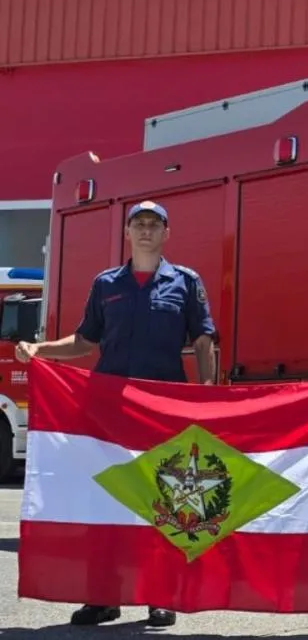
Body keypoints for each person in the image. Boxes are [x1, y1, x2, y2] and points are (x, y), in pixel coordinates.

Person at [15, 200, 217, 628]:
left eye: (154, 224)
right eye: (138, 224)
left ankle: (159, 596)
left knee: (160, 504)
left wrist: (207, 400)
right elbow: (85, 342)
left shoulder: (185, 282)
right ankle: (103, 596)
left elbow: (203, 342)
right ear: (127, 233)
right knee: (105, 504)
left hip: (163, 412)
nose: (146, 231)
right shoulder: (107, 284)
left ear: (166, 233)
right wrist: (40, 350)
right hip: (109, 415)